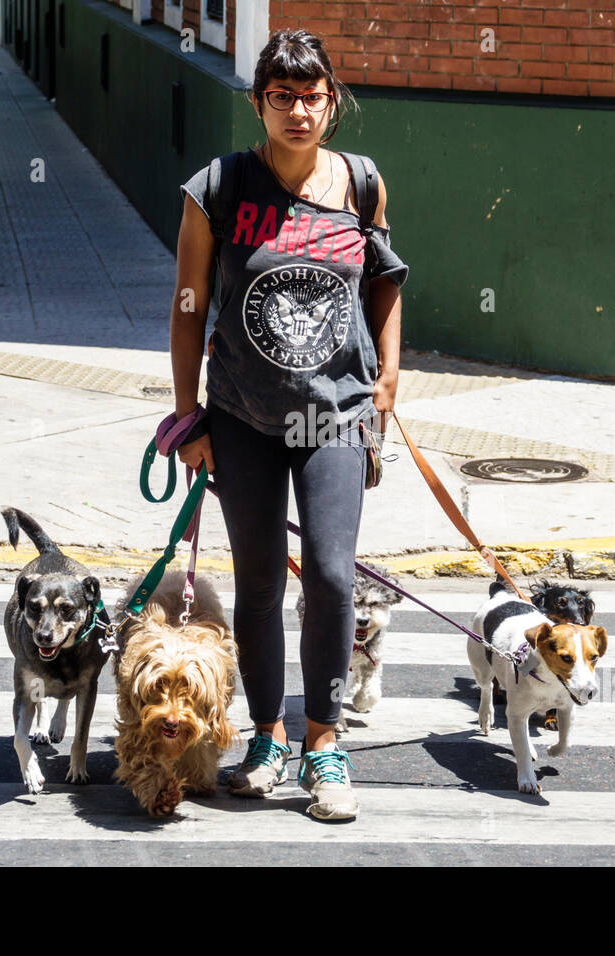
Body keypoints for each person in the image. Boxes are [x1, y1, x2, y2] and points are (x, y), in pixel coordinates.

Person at [171, 29, 408, 821]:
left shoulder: (364, 185)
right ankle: (268, 737)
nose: (299, 111)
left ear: (331, 101)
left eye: (312, 97)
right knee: (261, 579)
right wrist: (186, 419)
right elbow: (188, 308)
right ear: (259, 102)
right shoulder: (221, 186)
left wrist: (388, 384)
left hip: (336, 414)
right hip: (242, 413)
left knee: (335, 578)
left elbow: (385, 286)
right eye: (283, 96)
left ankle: (325, 742)